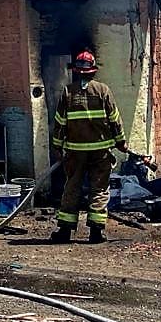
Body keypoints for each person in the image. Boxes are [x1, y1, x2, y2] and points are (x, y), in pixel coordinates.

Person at [51, 49, 128, 244]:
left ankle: (65, 231)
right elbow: (115, 120)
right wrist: (121, 142)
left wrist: (57, 146)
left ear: (76, 71)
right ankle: (96, 232)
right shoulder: (103, 91)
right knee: (99, 189)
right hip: (100, 152)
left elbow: (60, 123)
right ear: (93, 71)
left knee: (72, 187)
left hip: (75, 152)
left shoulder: (68, 92)